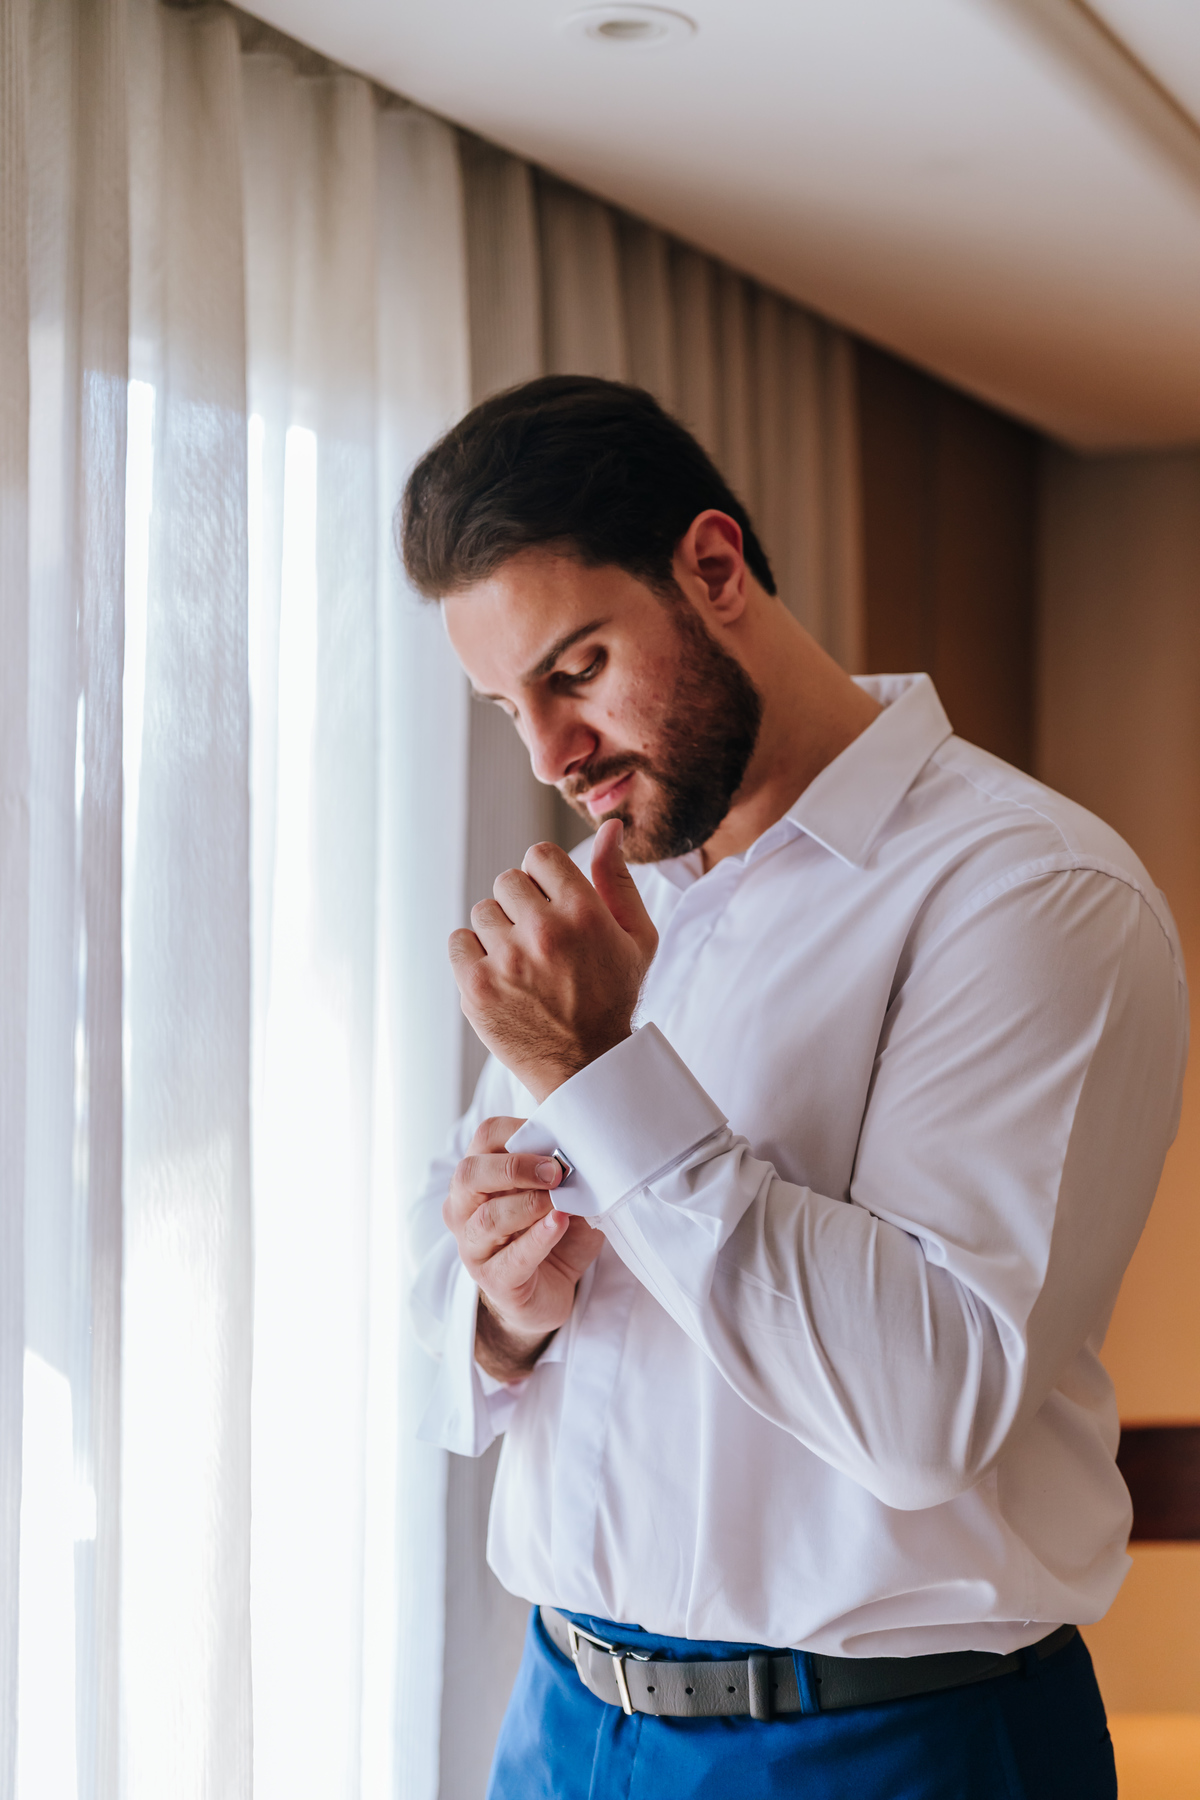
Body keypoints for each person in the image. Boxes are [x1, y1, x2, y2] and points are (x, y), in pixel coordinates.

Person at [401, 375, 1187, 1800]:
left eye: (577, 669)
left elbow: (929, 1412)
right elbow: (439, 1319)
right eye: (508, 705)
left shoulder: (1031, 893)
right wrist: (503, 1313)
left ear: (714, 567)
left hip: (886, 1746)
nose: (550, 756)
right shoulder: (604, 905)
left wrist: (598, 1071)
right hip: (562, 1720)